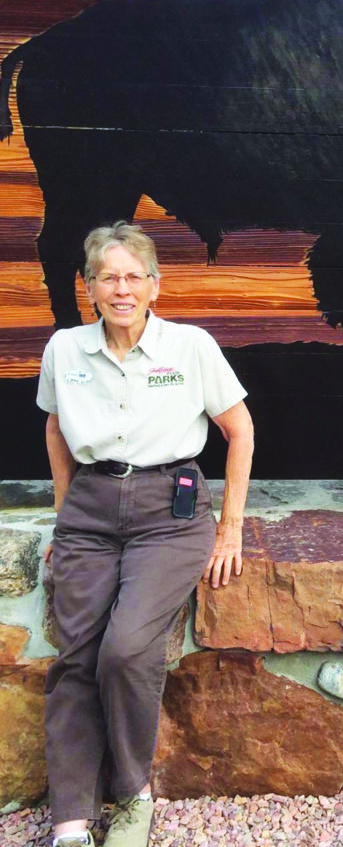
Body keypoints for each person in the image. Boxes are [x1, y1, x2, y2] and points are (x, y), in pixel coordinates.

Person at [37, 222, 255, 847]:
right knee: (75, 656)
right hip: (90, 512)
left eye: (134, 276)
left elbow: (239, 430)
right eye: (108, 277)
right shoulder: (65, 351)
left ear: (156, 286)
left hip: (171, 514)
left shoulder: (190, 346)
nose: (122, 288)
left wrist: (231, 527)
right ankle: (71, 818)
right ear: (89, 287)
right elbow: (56, 430)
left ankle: (133, 794)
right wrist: (65, 511)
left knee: (126, 649)